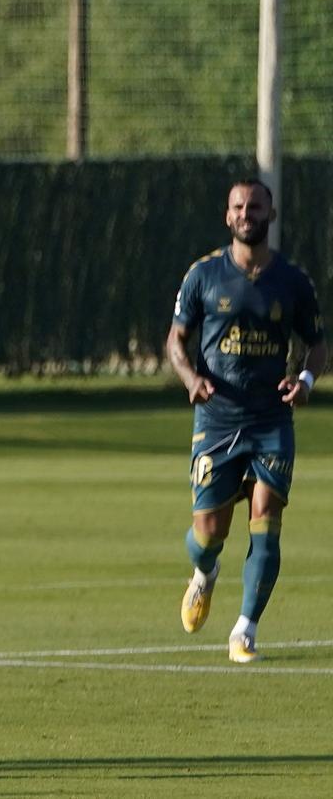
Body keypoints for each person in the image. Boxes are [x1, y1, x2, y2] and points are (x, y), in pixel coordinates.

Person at [167, 176, 325, 663]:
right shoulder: (203, 276)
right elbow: (175, 340)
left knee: (266, 517)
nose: (246, 214)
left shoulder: (293, 281)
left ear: (270, 215)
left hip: (270, 420)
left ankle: (245, 629)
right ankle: (204, 574)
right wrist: (191, 378)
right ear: (227, 215)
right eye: (238, 206)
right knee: (209, 533)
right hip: (216, 420)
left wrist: (305, 380)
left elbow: (317, 344)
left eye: (255, 206)